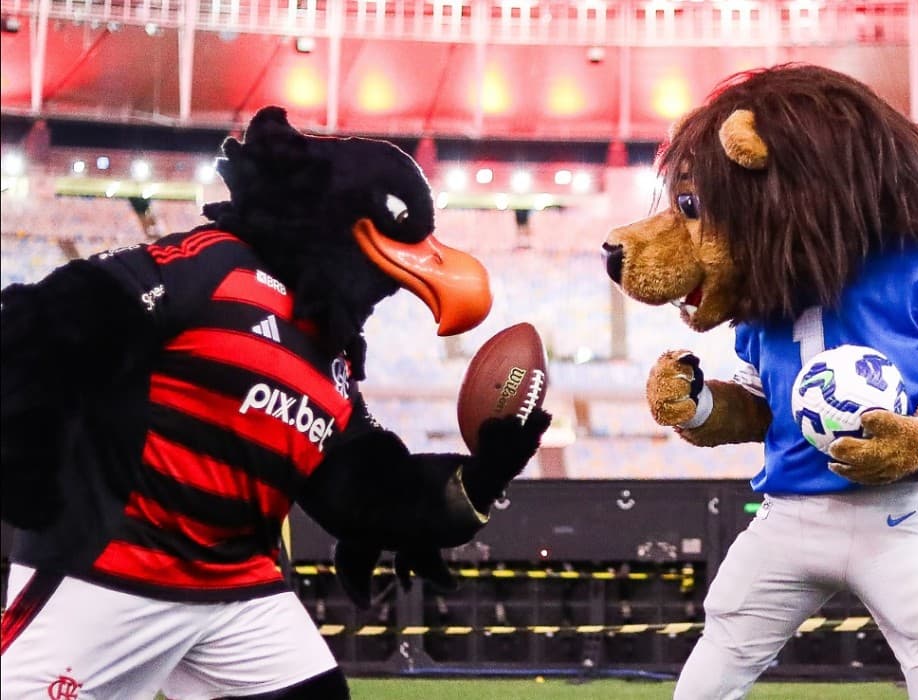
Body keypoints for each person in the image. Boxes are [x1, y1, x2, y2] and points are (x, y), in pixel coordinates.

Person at [0, 106, 550, 699]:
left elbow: (361, 491)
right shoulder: (212, 266)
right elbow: (55, 320)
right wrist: (26, 445)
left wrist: (478, 477)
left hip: (235, 587)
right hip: (113, 568)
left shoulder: (332, 361)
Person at [601, 64, 918, 699]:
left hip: (894, 515)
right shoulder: (769, 283)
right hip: (787, 516)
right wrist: (697, 406)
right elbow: (757, 407)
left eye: (698, 209)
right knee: (719, 652)